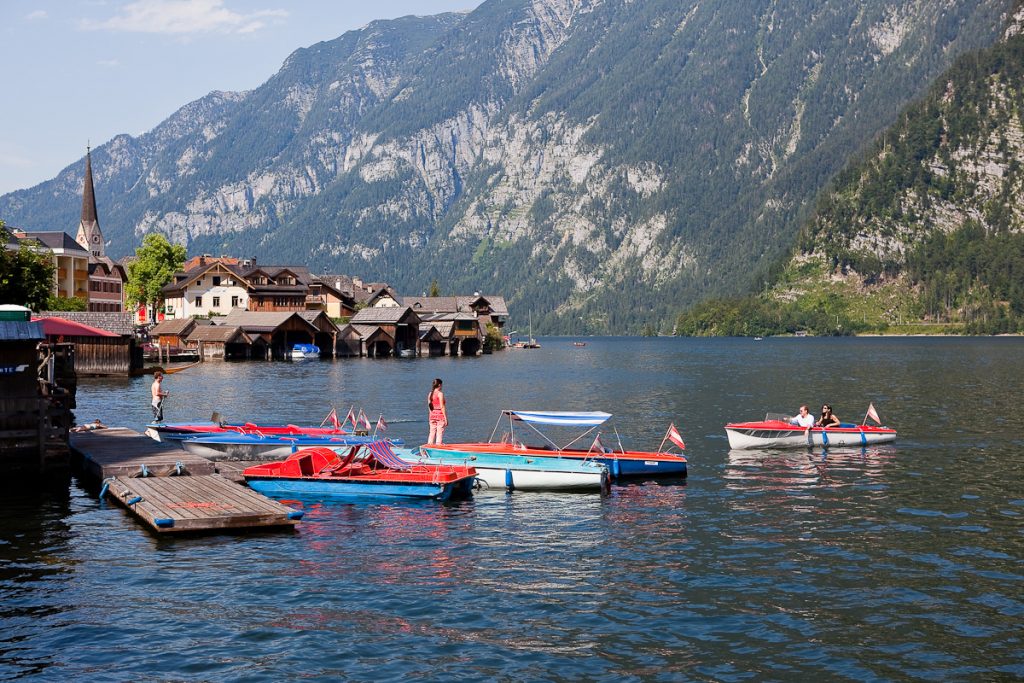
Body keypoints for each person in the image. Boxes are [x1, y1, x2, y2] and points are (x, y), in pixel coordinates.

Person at [427, 378, 447, 445]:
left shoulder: (430, 394)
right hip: (440, 415)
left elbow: (429, 406)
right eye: (441, 385)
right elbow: (442, 406)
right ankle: (438, 446)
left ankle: (429, 446)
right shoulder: (440, 394)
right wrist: (445, 418)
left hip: (432, 415)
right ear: (439, 385)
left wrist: (430, 415)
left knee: (432, 432)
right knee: (439, 433)